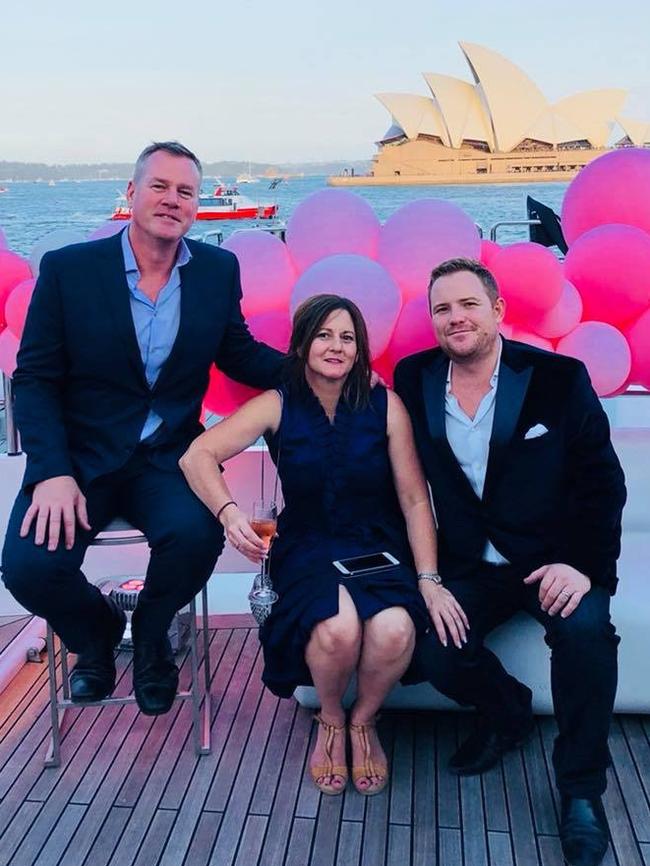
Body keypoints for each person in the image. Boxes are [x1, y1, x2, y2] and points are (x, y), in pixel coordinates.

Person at [1, 141, 284, 717]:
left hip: (167, 458)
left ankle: (153, 638)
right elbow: (33, 379)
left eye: (185, 191)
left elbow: (238, 352)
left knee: (196, 536)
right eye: (159, 186)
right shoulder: (69, 270)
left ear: (197, 204)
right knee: (30, 568)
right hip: (80, 458)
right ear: (132, 193)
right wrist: (51, 471)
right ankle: (96, 635)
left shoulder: (216, 269)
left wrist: (322, 370)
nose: (171, 200)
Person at [180, 294, 467, 796]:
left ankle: (365, 720)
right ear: (302, 342)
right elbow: (197, 455)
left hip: (378, 542)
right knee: (336, 630)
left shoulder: (385, 403)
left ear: (360, 350)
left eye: (348, 337)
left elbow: (414, 500)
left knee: (397, 629)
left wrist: (428, 577)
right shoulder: (277, 402)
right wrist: (229, 514)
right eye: (325, 334)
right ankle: (331, 720)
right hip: (308, 543)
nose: (336, 346)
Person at [394, 258, 626, 866]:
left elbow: (602, 482)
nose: (455, 318)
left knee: (585, 636)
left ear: (497, 311)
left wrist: (582, 566)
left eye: (468, 304)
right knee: (427, 646)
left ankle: (582, 790)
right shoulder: (413, 378)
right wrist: (426, 577)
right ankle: (508, 712)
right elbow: (403, 480)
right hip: (470, 565)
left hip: (553, 559)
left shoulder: (558, 379)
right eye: (442, 309)